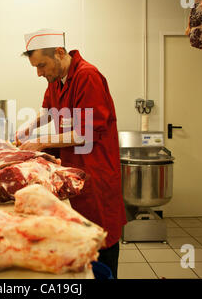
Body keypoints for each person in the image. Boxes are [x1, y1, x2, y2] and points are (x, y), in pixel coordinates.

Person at [16, 29, 127, 278]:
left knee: (101, 239)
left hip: (96, 173)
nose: (39, 73)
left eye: (42, 65)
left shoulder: (87, 76)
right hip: (74, 170)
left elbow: (86, 133)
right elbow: (47, 112)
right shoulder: (55, 80)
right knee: (80, 238)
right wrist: (27, 128)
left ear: (59, 52)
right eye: (36, 67)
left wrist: (41, 142)